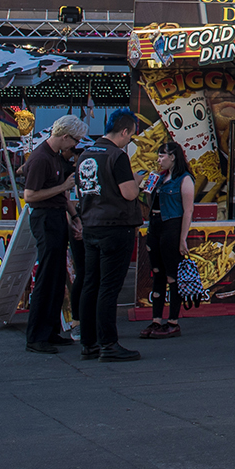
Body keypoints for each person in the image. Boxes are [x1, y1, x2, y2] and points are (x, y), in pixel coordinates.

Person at [74, 111, 144, 362]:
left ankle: (88, 342)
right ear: (124, 131)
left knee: (90, 284)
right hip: (115, 226)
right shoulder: (117, 156)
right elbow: (128, 193)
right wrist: (137, 182)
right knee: (108, 288)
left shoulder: (86, 154)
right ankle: (109, 344)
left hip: (91, 224)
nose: (130, 140)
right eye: (131, 135)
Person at [20, 116, 84, 352]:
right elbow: (30, 196)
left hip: (56, 215)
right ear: (65, 136)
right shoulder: (41, 158)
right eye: (74, 140)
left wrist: (74, 217)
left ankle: (50, 330)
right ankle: (36, 335)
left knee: (57, 277)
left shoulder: (54, 157)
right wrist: (62, 188)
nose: (74, 146)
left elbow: (62, 196)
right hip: (45, 217)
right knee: (47, 277)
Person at [138, 140, 196, 340]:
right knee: (157, 273)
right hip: (155, 225)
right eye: (158, 155)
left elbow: (188, 210)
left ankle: (173, 321)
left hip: (172, 226)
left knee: (173, 275)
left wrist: (183, 238)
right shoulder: (158, 177)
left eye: (163, 156)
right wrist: (145, 190)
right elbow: (148, 201)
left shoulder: (185, 179)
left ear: (173, 157)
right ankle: (156, 320)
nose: (159, 160)